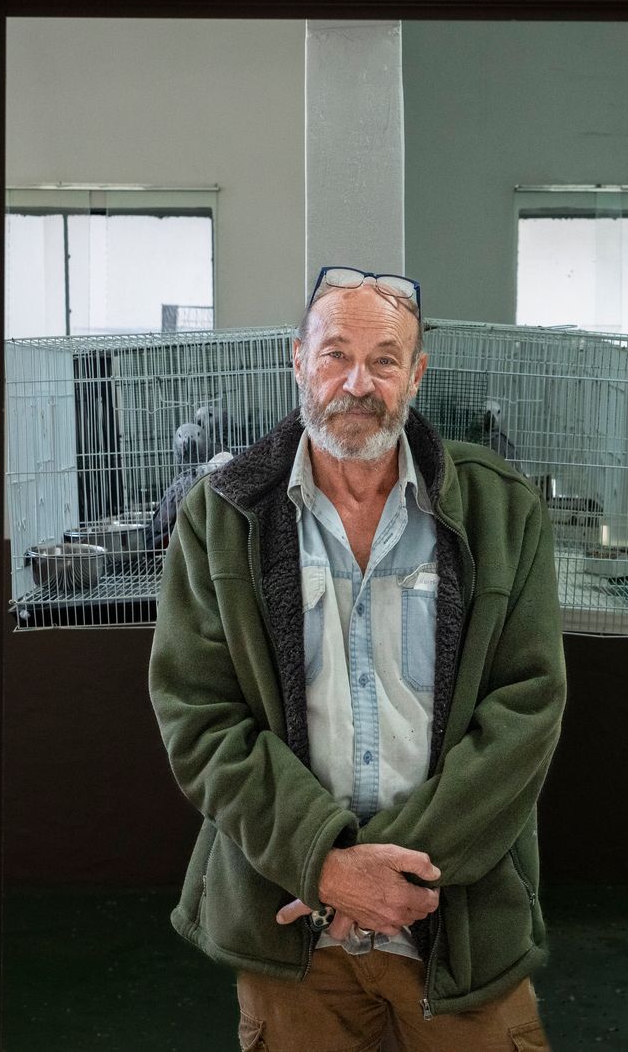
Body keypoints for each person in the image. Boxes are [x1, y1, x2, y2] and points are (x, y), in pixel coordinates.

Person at [148, 265, 566, 1051]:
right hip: (295, 935)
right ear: (297, 360)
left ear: (416, 374)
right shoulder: (221, 516)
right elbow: (199, 717)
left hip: (458, 927)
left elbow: (526, 713)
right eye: (335, 352)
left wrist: (391, 881)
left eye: (383, 358)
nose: (357, 381)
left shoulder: (502, 509)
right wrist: (326, 865)